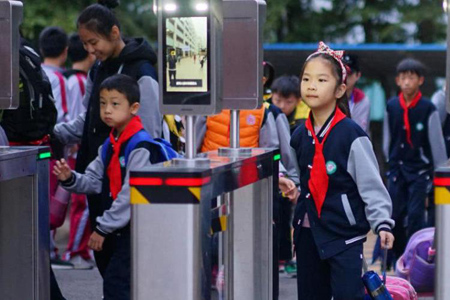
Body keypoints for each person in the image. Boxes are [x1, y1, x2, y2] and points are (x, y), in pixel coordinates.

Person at [53, 0, 161, 275]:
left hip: (126, 181)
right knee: (106, 259)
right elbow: (86, 120)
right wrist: (54, 133)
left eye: (94, 42)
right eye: (85, 44)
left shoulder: (143, 73)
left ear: (114, 33)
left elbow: (149, 136)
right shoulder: (97, 69)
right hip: (98, 176)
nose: (90, 50)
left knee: (125, 263)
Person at [280, 42, 394, 300]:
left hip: (344, 235)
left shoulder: (351, 135)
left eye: (321, 79)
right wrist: (291, 184)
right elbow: (300, 177)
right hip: (308, 233)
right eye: (306, 79)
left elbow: (371, 185)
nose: (311, 85)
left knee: (346, 296)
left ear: (340, 89)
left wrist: (382, 223)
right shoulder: (299, 134)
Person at [53, 74, 153, 300]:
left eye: (115, 104)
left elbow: (131, 194)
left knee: (118, 284)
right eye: (102, 103)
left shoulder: (140, 146)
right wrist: (70, 178)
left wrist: (103, 228)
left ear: (134, 108)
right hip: (119, 227)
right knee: (117, 282)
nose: (107, 110)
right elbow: (93, 180)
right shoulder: (110, 143)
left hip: (136, 227)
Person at [383, 58, 447, 259]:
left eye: (411, 78)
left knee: (416, 216)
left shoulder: (428, 107)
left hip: (420, 170)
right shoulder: (392, 105)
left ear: (420, 80)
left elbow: (436, 142)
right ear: (397, 81)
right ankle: (399, 255)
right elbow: (387, 138)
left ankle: (415, 257)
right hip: (397, 168)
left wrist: (440, 171)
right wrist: (389, 159)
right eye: (403, 78)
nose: (407, 82)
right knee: (395, 214)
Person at [61, 33, 96, 269]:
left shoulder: (67, 78)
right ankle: (76, 251)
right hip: (77, 148)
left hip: (70, 146)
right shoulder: (82, 81)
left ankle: (78, 250)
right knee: (82, 203)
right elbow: (78, 117)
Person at [39, 26, 70, 124]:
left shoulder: (35, 72)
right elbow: (60, 116)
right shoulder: (58, 79)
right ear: (65, 50)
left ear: (41, 50)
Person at [342, 53, 371, 132]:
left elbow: (360, 130)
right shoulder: (329, 96)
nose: (345, 77)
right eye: (342, 73)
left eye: (349, 74)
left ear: (358, 75)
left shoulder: (362, 100)